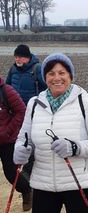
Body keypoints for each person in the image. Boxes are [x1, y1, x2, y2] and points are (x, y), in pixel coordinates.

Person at [13, 53, 88, 213]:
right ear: (45, 77)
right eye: (51, 73)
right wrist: (19, 151)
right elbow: (23, 139)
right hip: (43, 183)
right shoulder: (34, 104)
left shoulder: (87, 102)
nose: (56, 78)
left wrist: (75, 147)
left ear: (70, 76)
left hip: (80, 183)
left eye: (62, 73)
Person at [0, 77, 32, 211]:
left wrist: (7, 132)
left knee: (11, 173)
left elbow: (22, 111)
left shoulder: (6, 91)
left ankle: (27, 190)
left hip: (7, 141)